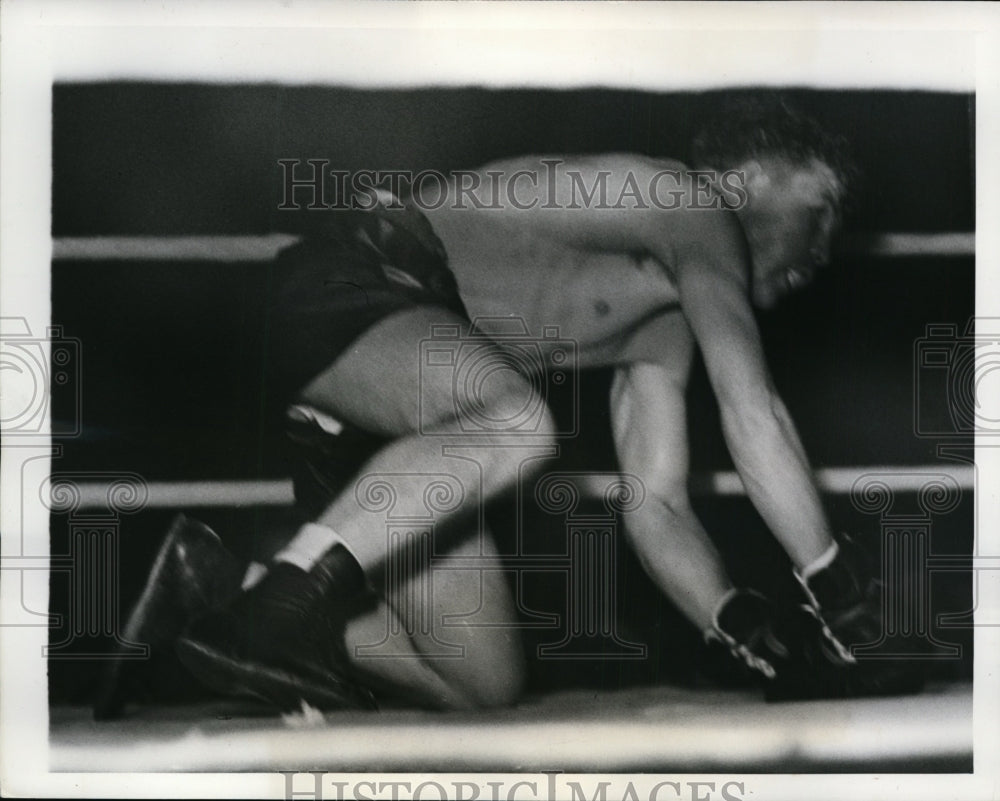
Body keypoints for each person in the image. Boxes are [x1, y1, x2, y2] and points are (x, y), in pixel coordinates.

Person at [98, 96, 917, 719]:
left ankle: (217, 591)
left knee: (480, 677)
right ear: (749, 181)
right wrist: (839, 586)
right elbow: (755, 407)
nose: (820, 253)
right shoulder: (687, 204)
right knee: (521, 422)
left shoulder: (664, 328)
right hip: (343, 286)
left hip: (395, 420)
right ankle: (279, 607)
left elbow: (657, 505)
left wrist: (740, 623)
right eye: (820, 214)